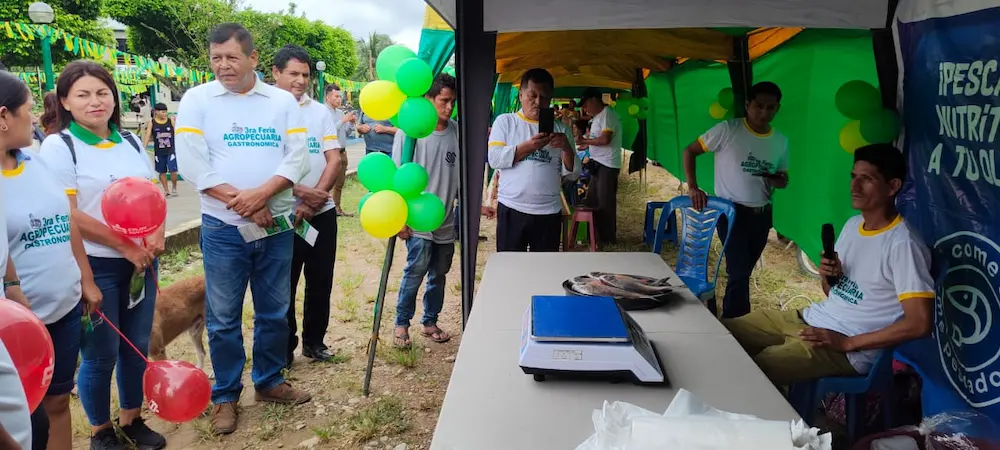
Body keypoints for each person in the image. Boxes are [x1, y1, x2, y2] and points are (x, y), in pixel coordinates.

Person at [174, 23, 311, 436]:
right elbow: (193, 164)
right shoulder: (197, 100)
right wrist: (246, 204)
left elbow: (296, 156)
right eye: (216, 58)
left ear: (253, 59)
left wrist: (263, 196)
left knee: (274, 310)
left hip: (275, 227)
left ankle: (269, 381)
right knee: (222, 317)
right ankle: (225, 396)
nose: (223, 66)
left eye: (232, 57)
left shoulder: (282, 102)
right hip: (222, 229)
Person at [725, 144, 933, 385]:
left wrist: (848, 343)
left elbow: (920, 323)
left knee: (749, 372)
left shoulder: (903, 243)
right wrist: (827, 275)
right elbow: (832, 293)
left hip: (847, 349)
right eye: (854, 176)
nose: (854, 186)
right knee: (720, 333)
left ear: (893, 186)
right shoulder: (854, 225)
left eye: (867, 179)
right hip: (810, 320)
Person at [38, 61, 165, 450]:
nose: (96, 102)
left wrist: (156, 235)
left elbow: (153, 190)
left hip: (142, 261)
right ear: (65, 102)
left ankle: (133, 418)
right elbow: (69, 212)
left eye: (103, 93)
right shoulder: (60, 146)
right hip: (96, 264)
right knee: (101, 352)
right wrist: (123, 245)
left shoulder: (129, 141)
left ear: (114, 97)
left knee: (136, 343)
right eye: (83, 95)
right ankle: (100, 430)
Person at [683, 81, 790, 319]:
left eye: (770, 108)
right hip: (731, 213)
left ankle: (732, 320)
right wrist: (693, 187)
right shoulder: (727, 130)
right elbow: (689, 151)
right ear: (747, 104)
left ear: (777, 109)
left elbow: (783, 179)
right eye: (759, 106)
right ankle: (737, 324)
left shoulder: (780, 141)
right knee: (740, 272)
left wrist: (777, 180)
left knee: (741, 271)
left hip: (762, 215)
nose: (764, 113)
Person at [270, 45, 343, 365]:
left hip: (320, 213)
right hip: (282, 214)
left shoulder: (319, 112)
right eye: (293, 74)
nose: (300, 81)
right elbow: (265, 165)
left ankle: (315, 342)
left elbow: (335, 158)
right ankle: (283, 348)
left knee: (320, 280)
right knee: (282, 284)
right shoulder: (266, 109)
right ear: (275, 73)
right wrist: (298, 192)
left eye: (305, 75)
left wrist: (314, 200)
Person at [390, 74, 459, 348]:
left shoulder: (456, 131)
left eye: (453, 101)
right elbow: (396, 178)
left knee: (439, 274)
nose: (449, 107)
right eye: (443, 100)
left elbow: (460, 176)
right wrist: (400, 219)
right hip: (417, 220)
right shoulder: (409, 133)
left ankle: (430, 321)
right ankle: (401, 325)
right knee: (415, 271)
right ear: (428, 99)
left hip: (445, 219)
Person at [487, 68, 581, 252]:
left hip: (548, 211)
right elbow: (494, 159)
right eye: (532, 95)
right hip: (512, 209)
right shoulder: (505, 122)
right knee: (511, 268)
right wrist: (529, 146)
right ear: (521, 95)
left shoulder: (561, 129)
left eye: (544, 97)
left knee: (543, 271)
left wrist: (567, 148)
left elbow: (573, 173)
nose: (538, 102)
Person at [0, 69, 40, 450]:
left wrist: (12, 287)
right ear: (3, 117)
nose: (36, 117)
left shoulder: (30, 162)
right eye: (30, 109)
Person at [577, 88, 622, 245]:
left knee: (605, 202)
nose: (585, 108)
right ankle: (595, 236)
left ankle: (607, 239)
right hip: (598, 163)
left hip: (607, 165)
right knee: (592, 200)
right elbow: (596, 139)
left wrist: (585, 142)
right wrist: (586, 145)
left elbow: (605, 140)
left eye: (586, 104)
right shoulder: (597, 117)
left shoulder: (607, 115)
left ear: (594, 100)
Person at [323, 84, 356, 216]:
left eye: (340, 97)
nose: (339, 99)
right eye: (336, 96)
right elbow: (328, 132)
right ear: (327, 97)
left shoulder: (340, 113)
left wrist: (350, 124)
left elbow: (345, 133)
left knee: (339, 183)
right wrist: (342, 121)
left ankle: (337, 208)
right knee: (328, 182)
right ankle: (327, 209)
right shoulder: (323, 112)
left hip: (342, 151)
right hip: (330, 153)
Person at [143, 103, 178, 197]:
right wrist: (144, 147)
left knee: (173, 170)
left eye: (166, 112)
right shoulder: (152, 122)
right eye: (162, 112)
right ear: (156, 112)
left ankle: (174, 187)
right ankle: (166, 190)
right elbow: (147, 135)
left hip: (171, 150)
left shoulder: (171, 121)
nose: (165, 114)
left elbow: (177, 133)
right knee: (162, 171)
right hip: (159, 151)